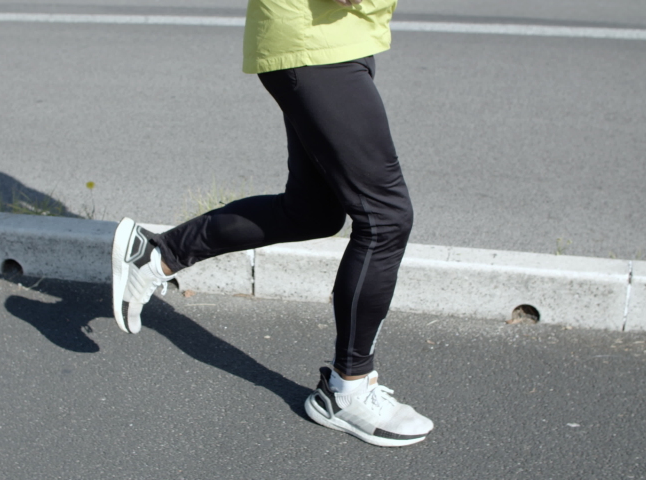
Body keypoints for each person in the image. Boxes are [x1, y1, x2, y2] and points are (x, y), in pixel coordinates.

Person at [111, 0, 433, 447]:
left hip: (339, 35)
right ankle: (348, 389)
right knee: (386, 218)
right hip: (317, 41)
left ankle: (160, 254)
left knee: (313, 211)